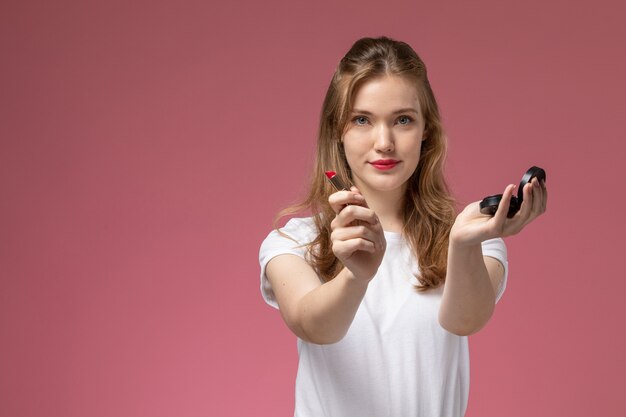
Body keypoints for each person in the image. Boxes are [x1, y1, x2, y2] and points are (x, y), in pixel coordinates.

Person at [258, 36, 547, 417]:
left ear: (427, 130)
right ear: (337, 132)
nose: (384, 142)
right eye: (362, 120)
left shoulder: (470, 237)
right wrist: (355, 277)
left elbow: (465, 320)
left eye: (403, 120)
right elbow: (315, 327)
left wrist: (461, 245)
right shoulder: (294, 242)